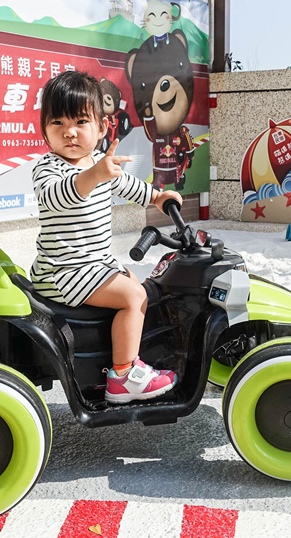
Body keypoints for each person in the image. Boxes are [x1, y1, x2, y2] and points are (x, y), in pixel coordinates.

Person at [31, 70, 181, 403]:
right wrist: (93, 175)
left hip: (93, 264)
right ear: (44, 130)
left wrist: (157, 197)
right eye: (57, 123)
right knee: (134, 296)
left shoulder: (102, 162)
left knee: (137, 280)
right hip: (63, 271)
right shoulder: (49, 168)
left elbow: (129, 187)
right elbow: (58, 196)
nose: (69, 132)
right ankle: (124, 376)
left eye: (80, 121)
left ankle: (116, 352)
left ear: (101, 127)